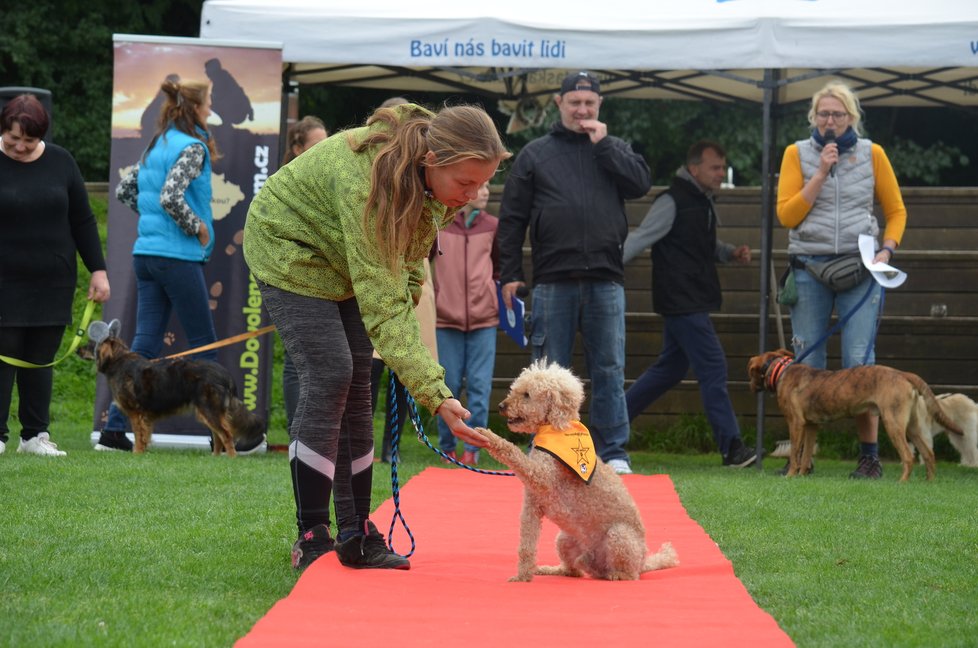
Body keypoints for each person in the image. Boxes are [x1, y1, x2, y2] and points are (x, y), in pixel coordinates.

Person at [243, 102, 509, 571]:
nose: (472, 195)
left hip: (344, 255)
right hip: (288, 246)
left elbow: (406, 265)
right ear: (433, 160)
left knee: (359, 381)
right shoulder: (371, 183)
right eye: (465, 183)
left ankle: (356, 533)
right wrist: (437, 394)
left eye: (481, 184)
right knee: (332, 371)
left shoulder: (436, 188)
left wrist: (408, 314)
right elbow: (385, 306)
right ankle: (312, 535)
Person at [497, 71, 651, 475]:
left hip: (606, 278)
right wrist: (509, 272)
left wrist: (605, 146)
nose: (582, 110)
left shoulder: (614, 149)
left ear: (599, 106)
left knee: (610, 369)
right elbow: (511, 219)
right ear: (559, 104)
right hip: (551, 280)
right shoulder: (535, 154)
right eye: (575, 103)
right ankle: (546, 450)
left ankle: (614, 451)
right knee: (548, 370)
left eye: (589, 104)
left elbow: (640, 184)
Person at [94, 79, 260, 453]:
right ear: (197, 108)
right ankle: (220, 438)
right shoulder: (192, 147)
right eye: (210, 100)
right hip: (177, 257)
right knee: (205, 345)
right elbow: (171, 196)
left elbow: (126, 191)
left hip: (146, 255)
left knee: (144, 344)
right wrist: (196, 227)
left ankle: (114, 432)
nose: (212, 105)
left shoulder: (158, 143)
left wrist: (152, 220)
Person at [776, 80, 907, 479]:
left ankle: (869, 457)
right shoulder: (796, 154)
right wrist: (820, 173)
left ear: (852, 118)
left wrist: (887, 250)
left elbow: (896, 211)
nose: (830, 121)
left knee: (859, 365)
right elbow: (787, 216)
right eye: (823, 114)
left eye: (838, 114)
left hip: (860, 268)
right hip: (809, 267)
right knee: (806, 367)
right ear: (813, 117)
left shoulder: (874, 154)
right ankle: (803, 460)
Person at [622, 141, 756, 467]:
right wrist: (606, 267)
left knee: (669, 370)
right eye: (714, 167)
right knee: (713, 366)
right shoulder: (672, 200)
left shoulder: (701, 201)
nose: (720, 173)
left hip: (691, 297)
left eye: (722, 168)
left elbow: (700, 243)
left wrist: (728, 253)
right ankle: (733, 448)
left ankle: (604, 428)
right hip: (682, 299)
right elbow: (642, 238)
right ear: (694, 168)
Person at [0, 93, 111, 456]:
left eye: (27, 141)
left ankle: (34, 436)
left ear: (40, 137)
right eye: (12, 139)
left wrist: (98, 270)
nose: (19, 147)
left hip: (52, 281)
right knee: (4, 353)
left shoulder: (61, 161)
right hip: (5, 282)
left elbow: (82, 219)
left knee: (40, 357)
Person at [433, 180, 498, 465]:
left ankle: (473, 449)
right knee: (447, 385)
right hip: (445, 319)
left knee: (480, 387)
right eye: (481, 186)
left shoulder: (493, 225)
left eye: (488, 187)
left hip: (484, 319)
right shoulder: (440, 224)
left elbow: (501, 265)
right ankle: (448, 447)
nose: (485, 192)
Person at [279, 115, 329, 431]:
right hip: (293, 279)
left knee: (322, 361)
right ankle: (299, 429)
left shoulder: (328, 181)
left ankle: (317, 428)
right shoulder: (286, 184)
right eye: (316, 146)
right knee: (295, 361)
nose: (325, 152)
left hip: (325, 281)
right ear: (298, 148)